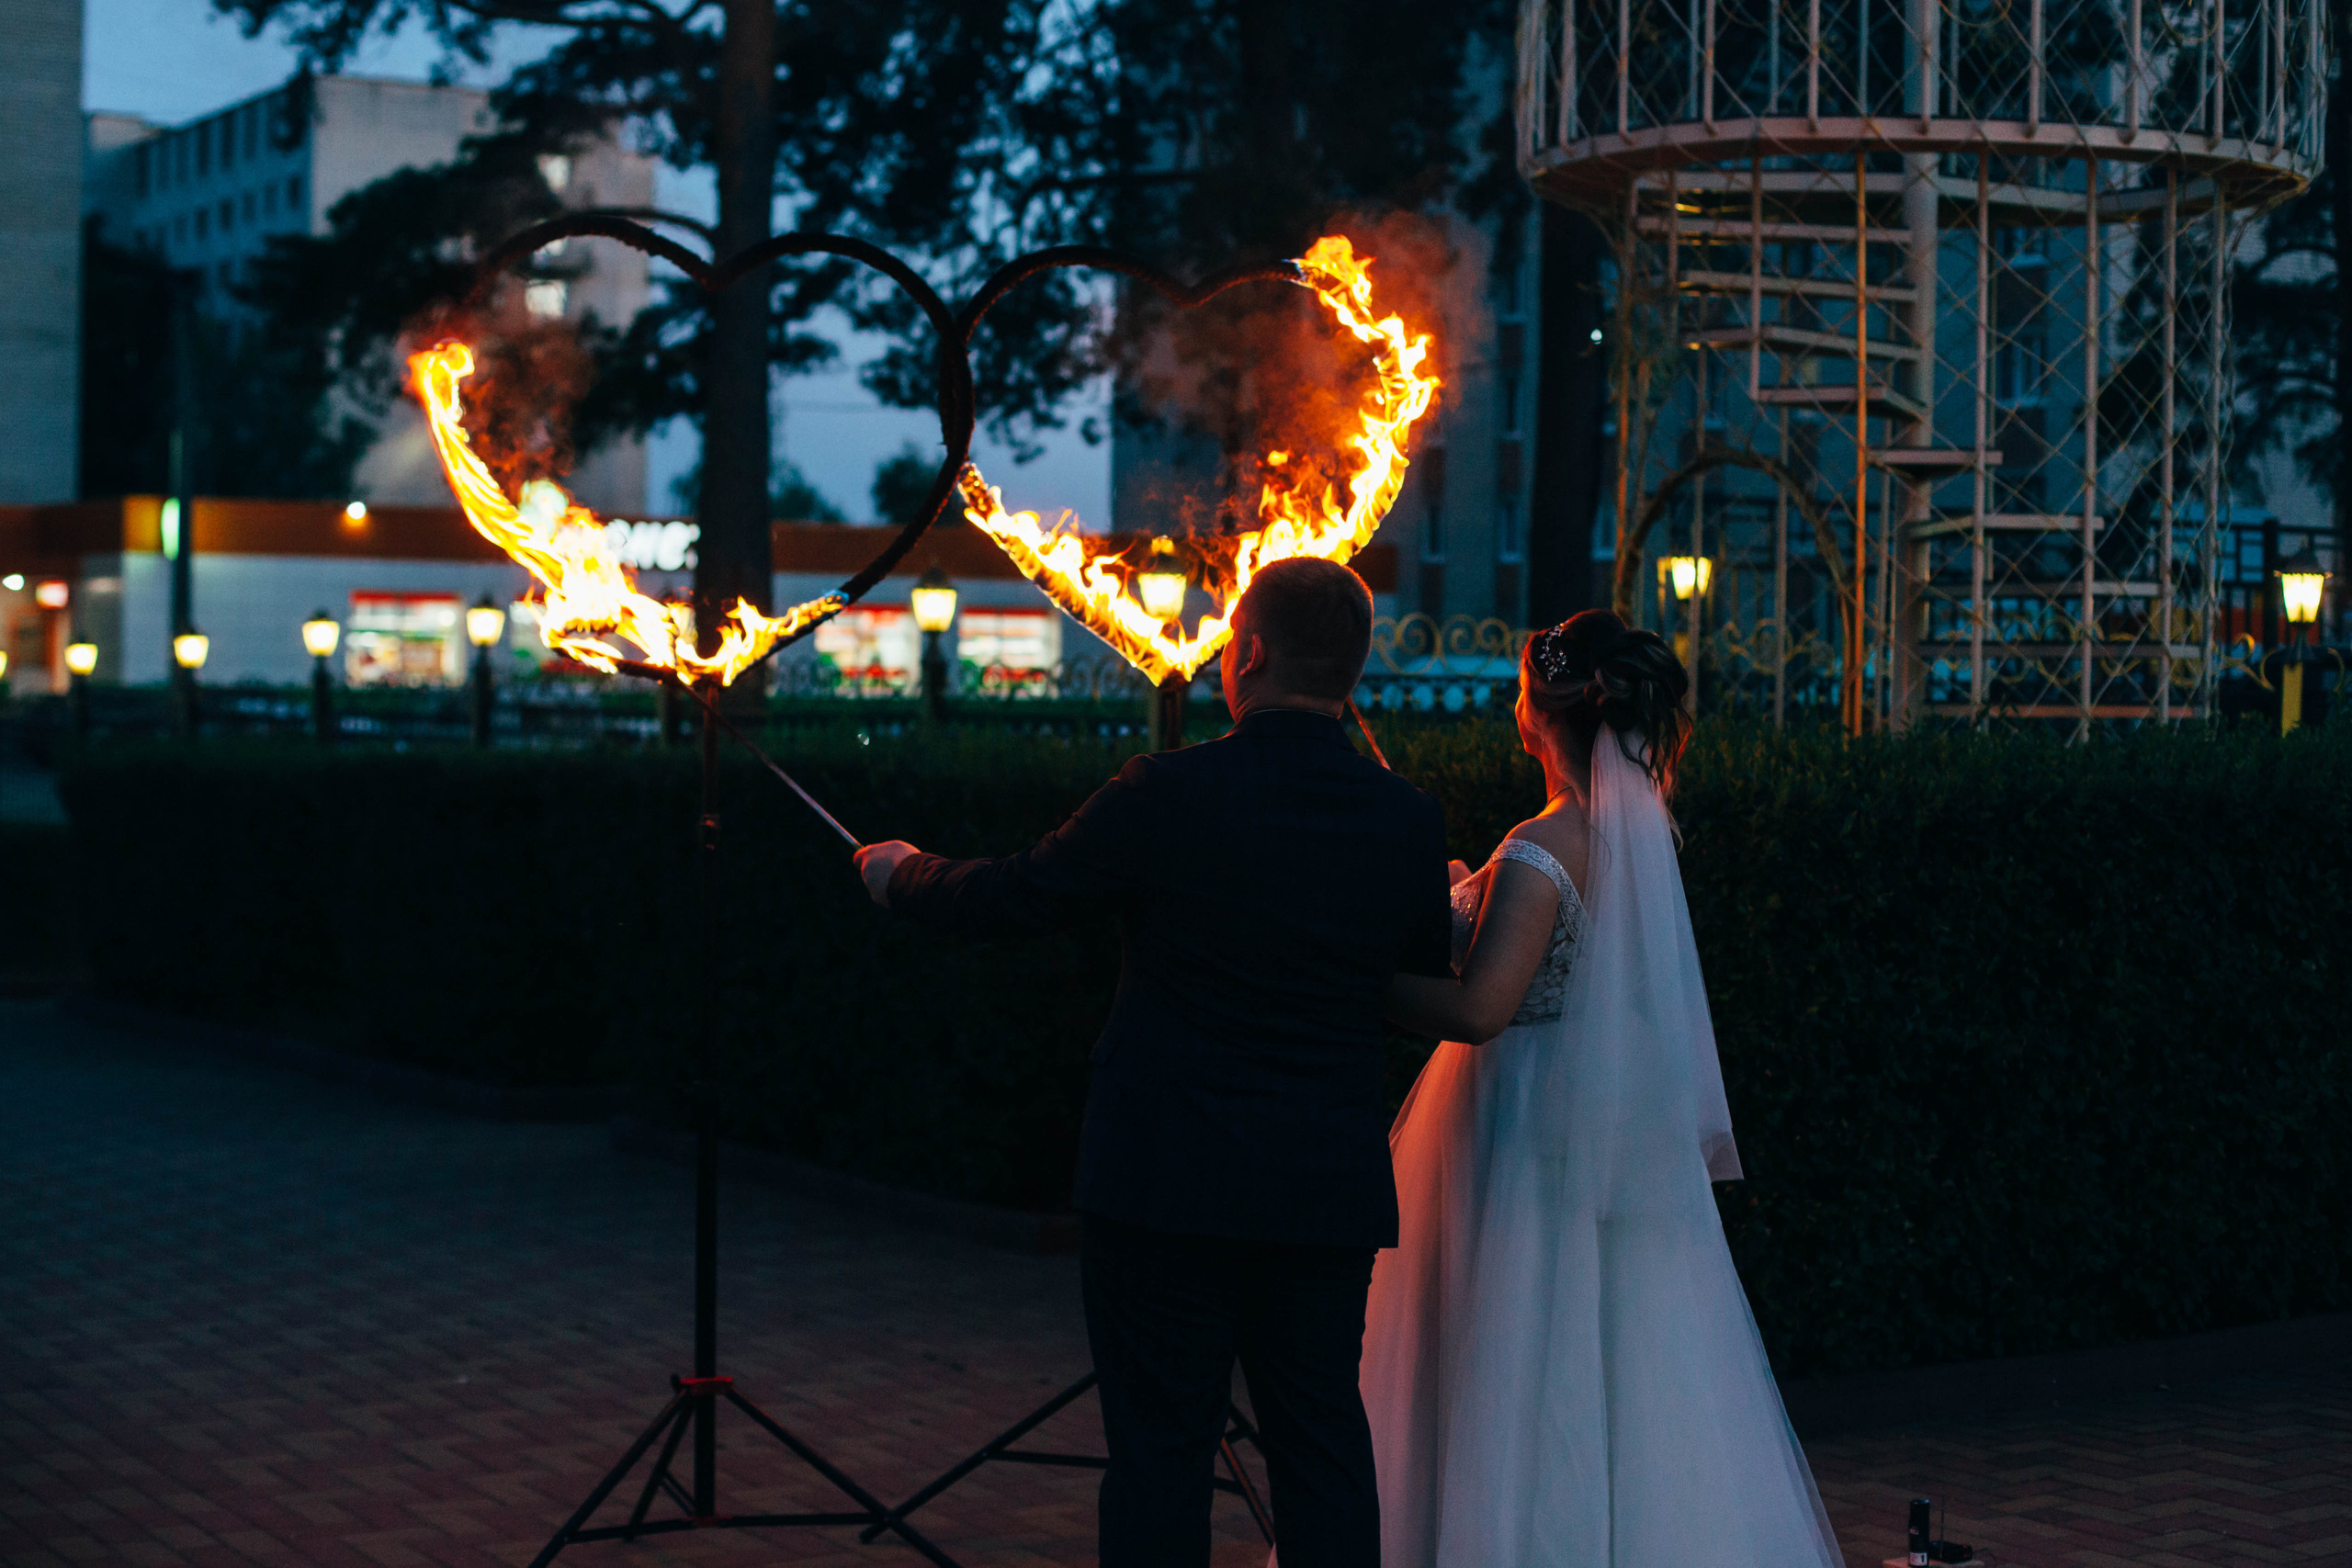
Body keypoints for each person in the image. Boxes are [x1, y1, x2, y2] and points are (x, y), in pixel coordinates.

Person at [854, 557, 1453, 1568]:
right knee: (1319, 1446)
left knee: (1159, 1451)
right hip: (1320, 1185)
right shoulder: (1406, 817)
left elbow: (1018, 896)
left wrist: (901, 875)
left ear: (1250, 654)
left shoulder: (1168, 791)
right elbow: (1411, 986)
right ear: (1351, 667)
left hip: (1166, 1180)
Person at [1363, 609, 1844, 1568]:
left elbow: (1481, 1008)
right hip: (1596, 1120)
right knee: (1605, 1351)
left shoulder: (1544, 844)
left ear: (1537, 707)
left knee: (1507, 1351)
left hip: (1516, 1125)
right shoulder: (1639, 835)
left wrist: (1339, 978)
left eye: (1513, 686)